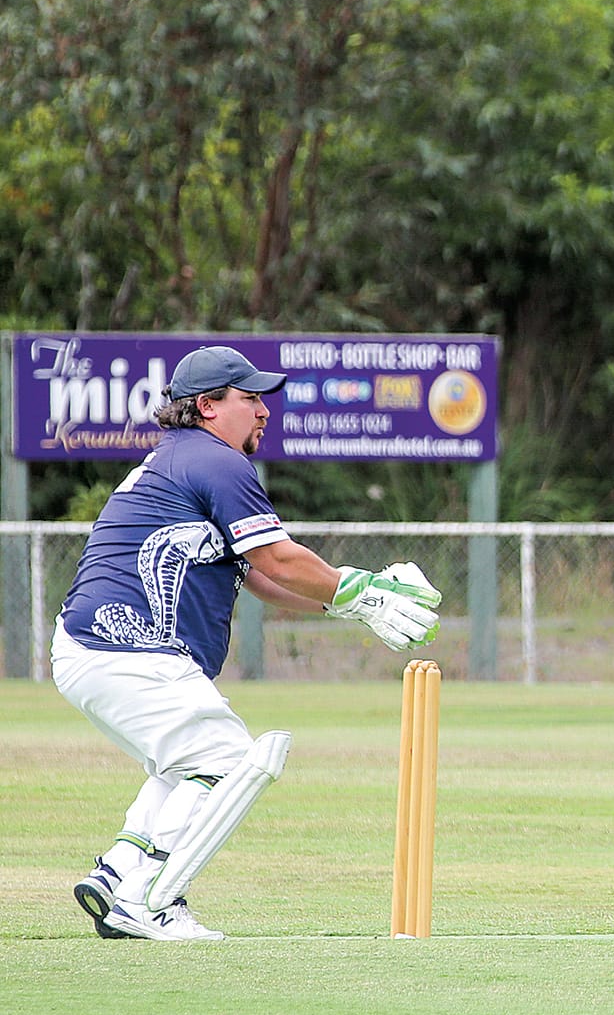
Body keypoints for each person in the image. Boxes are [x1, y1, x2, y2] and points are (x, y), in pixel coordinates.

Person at [54, 344, 444, 941]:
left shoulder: (183, 458)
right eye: (250, 398)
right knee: (227, 759)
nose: (264, 411)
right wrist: (360, 590)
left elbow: (259, 577)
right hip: (126, 648)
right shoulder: (217, 462)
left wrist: (348, 604)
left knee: (184, 764)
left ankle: (120, 872)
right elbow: (277, 556)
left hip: (94, 649)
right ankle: (148, 900)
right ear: (207, 406)